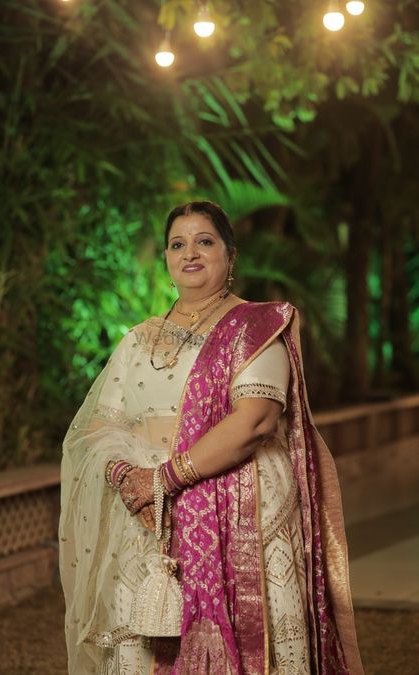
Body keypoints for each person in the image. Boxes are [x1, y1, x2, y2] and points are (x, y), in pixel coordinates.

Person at [59, 201, 363, 675]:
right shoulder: (138, 339)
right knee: (145, 643)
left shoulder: (257, 329)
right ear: (165, 257)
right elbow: (100, 425)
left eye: (205, 241)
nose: (190, 253)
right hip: (147, 519)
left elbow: (255, 422)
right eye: (178, 244)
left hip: (242, 507)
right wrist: (126, 476)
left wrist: (164, 478)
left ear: (230, 255)